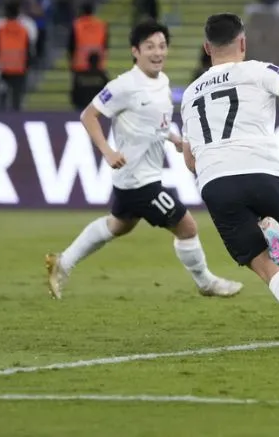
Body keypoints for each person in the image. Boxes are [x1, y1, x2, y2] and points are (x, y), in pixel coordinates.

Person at [46, 20, 244, 299]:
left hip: (137, 176)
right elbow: (88, 115)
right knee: (187, 226)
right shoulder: (123, 86)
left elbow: (155, 124)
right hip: (139, 180)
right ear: (135, 51)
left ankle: (62, 263)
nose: (157, 52)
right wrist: (107, 151)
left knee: (117, 225)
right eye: (149, 47)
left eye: (162, 46)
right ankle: (206, 283)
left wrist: (174, 138)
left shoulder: (162, 82)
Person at [180, 14, 279, 347]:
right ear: (242, 42)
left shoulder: (189, 94)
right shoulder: (256, 71)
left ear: (207, 48)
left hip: (215, 183)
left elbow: (189, 159)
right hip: (259, 170)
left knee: (269, 269)